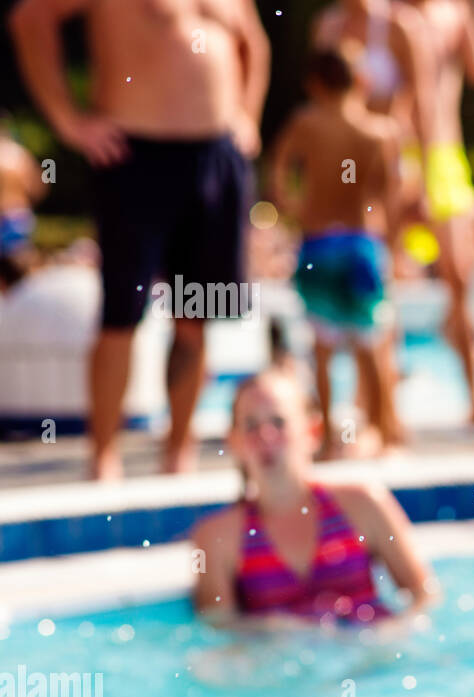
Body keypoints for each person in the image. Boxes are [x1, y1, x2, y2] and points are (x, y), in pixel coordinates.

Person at [9, 0, 270, 480]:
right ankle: (103, 457)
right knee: (121, 316)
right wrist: (68, 119)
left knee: (197, 315)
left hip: (215, 158)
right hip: (136, 157)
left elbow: (253, 41)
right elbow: (30, 18)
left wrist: (246, 114)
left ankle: (177, 453)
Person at [190, 369, 436, 628]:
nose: (265, 437)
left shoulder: (365, 504)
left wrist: (388, 637)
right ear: (234, 442)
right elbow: (219, 631)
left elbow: (424, 596)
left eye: (278, 422)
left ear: (312, 431)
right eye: (251, 425)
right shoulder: (214, 539)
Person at [269, 47, 406, 456]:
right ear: (359, 81)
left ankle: (330, 437)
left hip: (318, 242)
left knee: (323, 349)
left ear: (314, 83)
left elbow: (278, 176)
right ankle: (382, 434)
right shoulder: (381, 132)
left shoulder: (305, 123)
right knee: (372, 343)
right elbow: (392, 197)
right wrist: (389, 244)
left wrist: (294, 209)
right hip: (363, 243)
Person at [405, 0, 474, 425]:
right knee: (379, 269)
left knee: (460, 274)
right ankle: (375, 409)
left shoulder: (454, 12)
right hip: (401, 151)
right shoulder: (393, 16)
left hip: (444, 153)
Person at [0, 124, 46, 290]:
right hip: (19, 213)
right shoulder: (20, 155)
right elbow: (38, 187)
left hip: (4, 214)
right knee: (21, 270)